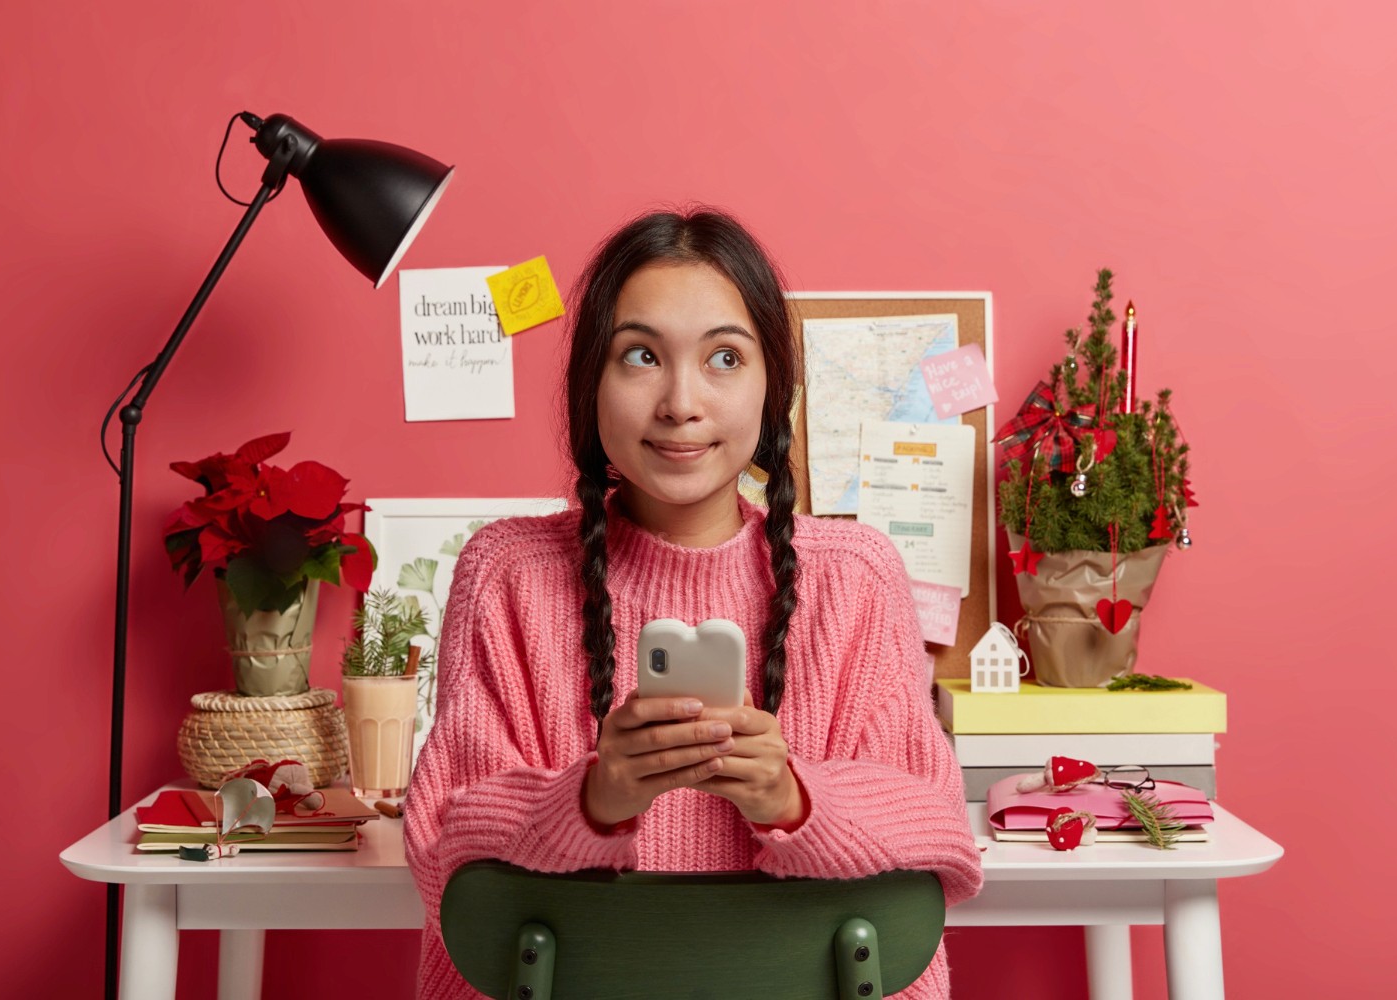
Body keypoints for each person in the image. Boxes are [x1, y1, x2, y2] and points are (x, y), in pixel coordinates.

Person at [404, 208, 983, 997]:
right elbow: (443, 851)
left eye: (723, 358)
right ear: (589, 385)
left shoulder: (855, 575)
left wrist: (790, 796)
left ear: (774, 384)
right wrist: (593, 798)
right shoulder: (508, 571)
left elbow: (941, 842)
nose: (681, 402)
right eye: (641, 355)